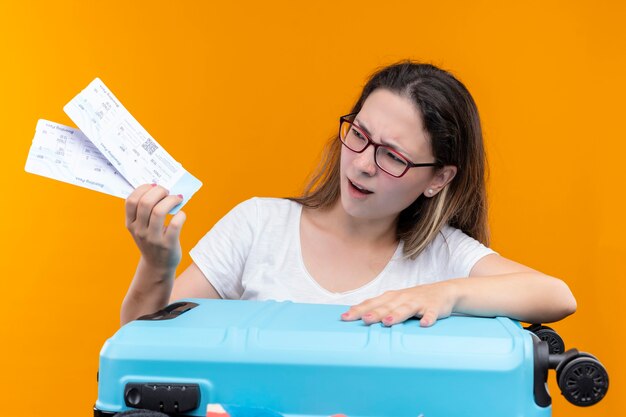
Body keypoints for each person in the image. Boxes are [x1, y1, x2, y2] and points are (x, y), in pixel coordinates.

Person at [120, 61, 576, 327]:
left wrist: (446, 295)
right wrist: (157, 267)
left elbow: (556, 295)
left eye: (392, 156)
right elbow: (142, 345)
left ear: (438, 178)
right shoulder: (259, 224)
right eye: (358, 134)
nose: (361, 163)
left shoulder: (441, 257)